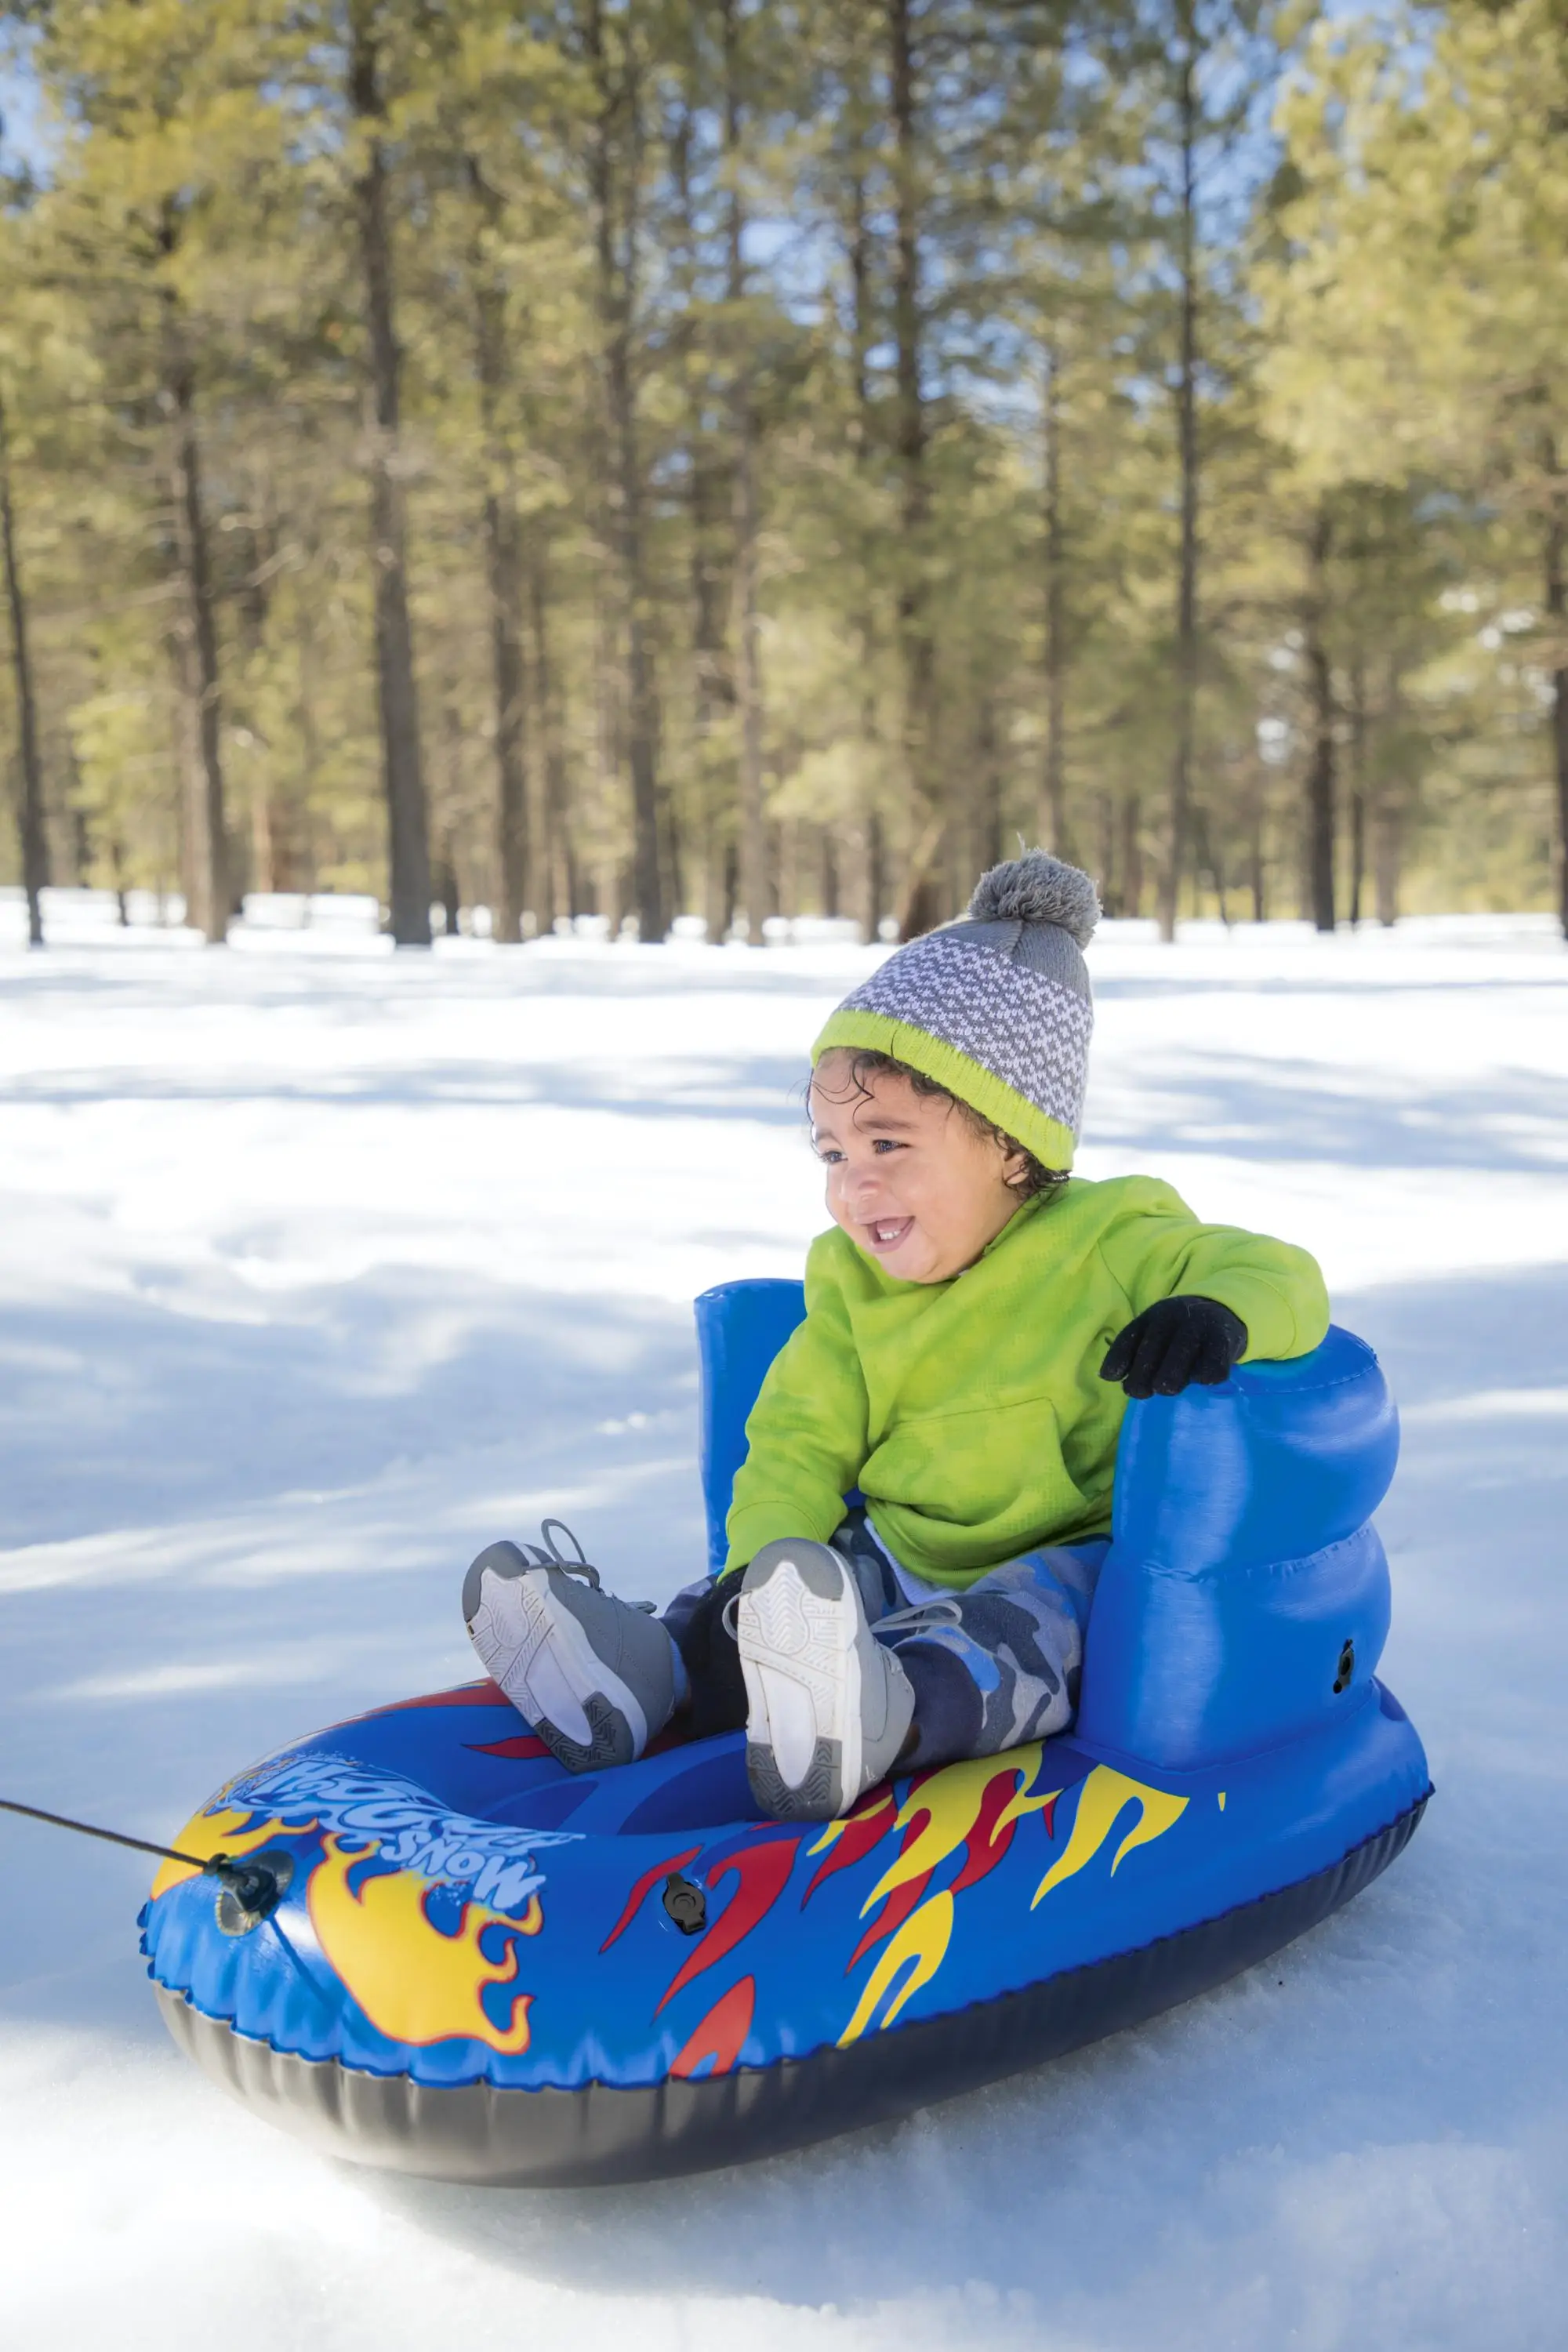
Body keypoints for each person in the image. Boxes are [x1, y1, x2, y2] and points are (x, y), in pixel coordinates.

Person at [463, 851, 1330, 1822]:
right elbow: (797, 1437)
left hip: (1063, 1557)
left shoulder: (1114, 1237)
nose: (851, 1183)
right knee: (795, 1586)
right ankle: (647, 1676)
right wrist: (756, 1580)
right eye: (832, 1152)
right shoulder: (848, 1282)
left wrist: (1213, 1313)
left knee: (1020, 1635)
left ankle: (882, 1714)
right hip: (897, 1546)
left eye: (887, 1144)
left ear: (1010, 1144)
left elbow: (1282, 1273)